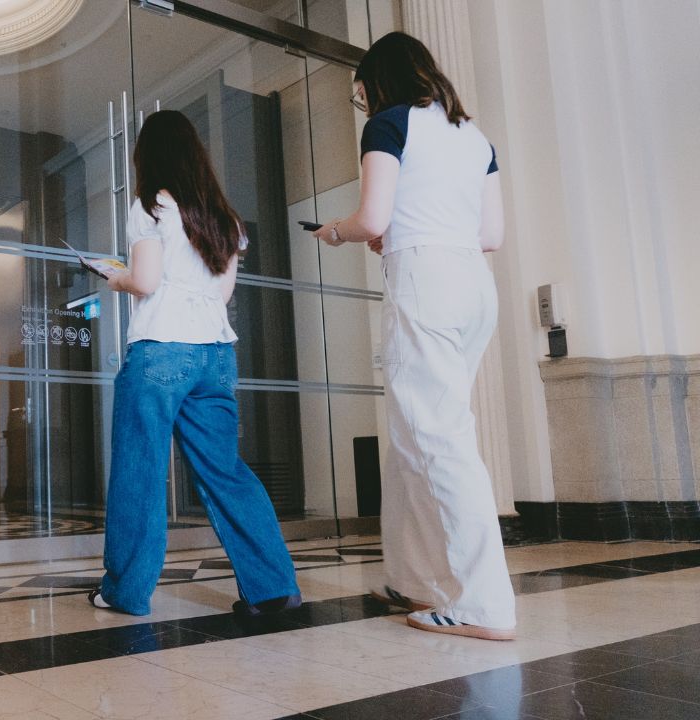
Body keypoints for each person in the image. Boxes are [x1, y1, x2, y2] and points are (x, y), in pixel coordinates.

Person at [312, 32, 515, 640]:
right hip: (473, 285)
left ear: (380, 82)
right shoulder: (474, 137)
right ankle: (411, 577)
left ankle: (484, 603)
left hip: (425, 281)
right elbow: (491, 234)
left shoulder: (389, 124)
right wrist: (396, 230)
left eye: (362, 92)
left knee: (437, 439)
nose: (363, 102)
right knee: (412, 436)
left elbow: (373, 218)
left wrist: (340, 232)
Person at [90, 110, 300, 619]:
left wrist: (110, 275)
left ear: (149, 156)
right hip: (216, 355)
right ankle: (274, 588)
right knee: (226, 471)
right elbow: (222, 293)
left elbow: (144, 282)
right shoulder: (224, 217)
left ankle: (126, 591)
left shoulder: (150, 205)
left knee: (139, 471)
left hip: (161, 348)